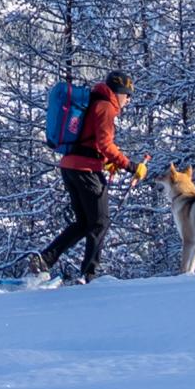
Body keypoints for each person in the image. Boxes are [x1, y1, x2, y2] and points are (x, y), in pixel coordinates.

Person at [29, 69, 139, 283]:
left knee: (83, 223)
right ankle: (89, 275)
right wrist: (130, 166)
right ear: (118, 92)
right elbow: (105, 143)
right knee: (100, 222)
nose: (128, 100)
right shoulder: (106, 106)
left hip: (70, 167)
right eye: (128, 95)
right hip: (85, 171)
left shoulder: (94, 102)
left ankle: (45, 260)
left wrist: (105, 161)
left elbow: (91, 141)